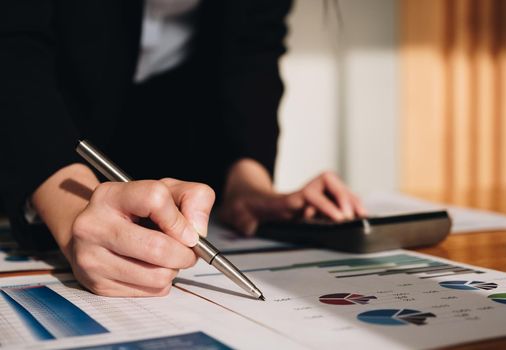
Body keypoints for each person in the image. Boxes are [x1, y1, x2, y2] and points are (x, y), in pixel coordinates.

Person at [0, 0, 365, 297]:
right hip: (37, 140)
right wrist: (72, 207)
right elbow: (12, 44)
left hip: (174, 155)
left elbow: (252, 47)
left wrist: (248, 183)